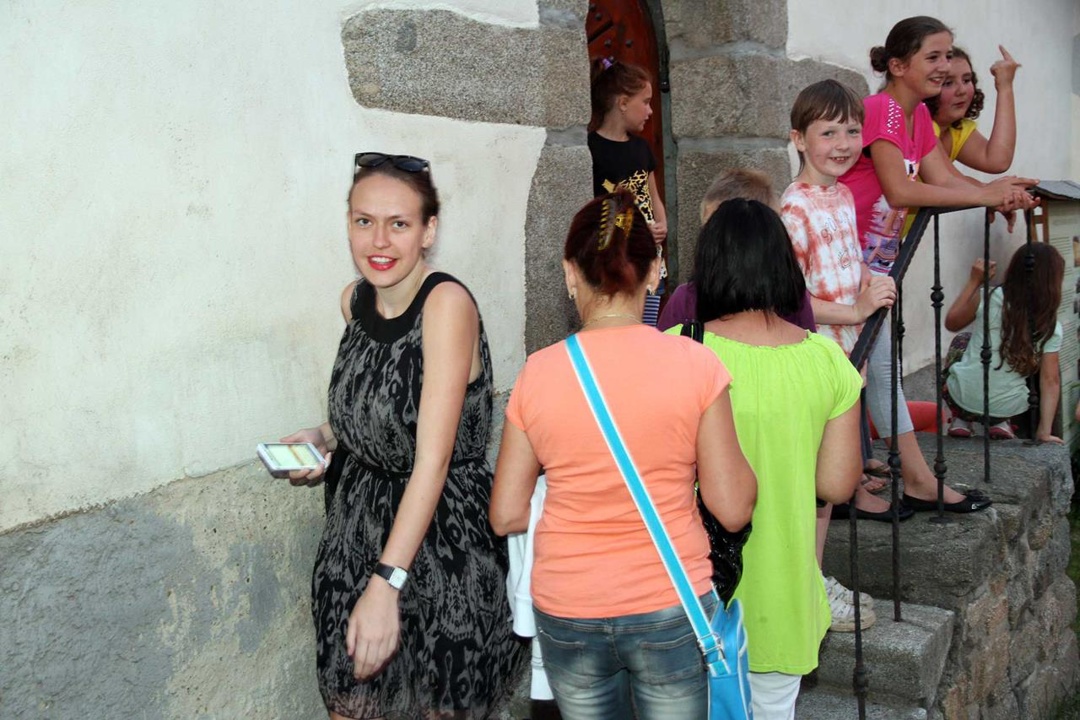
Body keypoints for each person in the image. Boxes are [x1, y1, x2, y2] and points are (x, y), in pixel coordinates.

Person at [490, 190, 757, 719]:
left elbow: (505, 514)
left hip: (568, 606)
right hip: (669, 600)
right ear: (655, 271)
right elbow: (732, 508)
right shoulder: (695, 364)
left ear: (570, 273)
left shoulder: (538, 373)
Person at [282, 152, 525, 719]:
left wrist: (386, 585)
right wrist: (325, 436)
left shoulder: (446, 305)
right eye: (364, 221)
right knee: (350, 706)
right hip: (353, 536)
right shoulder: (354, 301)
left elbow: (431, 460)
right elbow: (387, 408)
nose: (379, 241)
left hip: (440, 544)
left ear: (428, 231)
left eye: (399, 223)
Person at [671, 198, 863, 718]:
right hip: (784, 598)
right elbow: (837, 485)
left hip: (688, 596)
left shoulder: (676, 350)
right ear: (784, 265)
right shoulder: (828, 360)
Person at [839, 16, 1038, 513]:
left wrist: (1000, 194)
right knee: (864, 371)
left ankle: (874, 479)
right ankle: (905, 480)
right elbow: (900, 190)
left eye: (948, 55)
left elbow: (948, 181)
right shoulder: (883, 109)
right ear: (897, 66)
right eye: (934, 57)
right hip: (843, 260)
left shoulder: (916, 121)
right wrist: (988, 194)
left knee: (866, 371)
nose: (945, 66)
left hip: (872, 264)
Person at [782, 79, 900, 634]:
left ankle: (811, 578)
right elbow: (789, 298)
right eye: (828, 132)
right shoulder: (794, 207)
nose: (843, 143)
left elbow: (842, 265)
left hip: (844, 361)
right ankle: (805, 583)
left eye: (852, 131)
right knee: (815, 484)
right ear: (799, 139)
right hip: (814, 359)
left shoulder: (843, 196)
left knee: (829, 485)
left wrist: (868, 278)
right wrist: (854, 311)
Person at [656, 169, 817, 334]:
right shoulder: (686, 298)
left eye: (719, 234)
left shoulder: (792, 299)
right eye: (706, 231)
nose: (709, 242)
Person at [943, 245, 1064, 443]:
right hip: (1009, 406)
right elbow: (1051, 380)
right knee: (1019, 360)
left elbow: (951, 322)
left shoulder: (988, 297)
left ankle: (961, 420)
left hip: (962, 397)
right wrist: (1044, 431)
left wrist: (974, 281)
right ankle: (1000, 422)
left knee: (962, 339)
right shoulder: (1050, 326)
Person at [588, 58, 669, 325]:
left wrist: (661, 224)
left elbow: (653, 196)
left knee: (648, 326)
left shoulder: (642, 148)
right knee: (621, 326)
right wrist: (637, 233)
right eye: (645, 102)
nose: (650, 111)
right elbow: (597, 212)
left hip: (650, 260)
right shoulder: (592, 149)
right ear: (623, 103)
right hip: (616, 261)